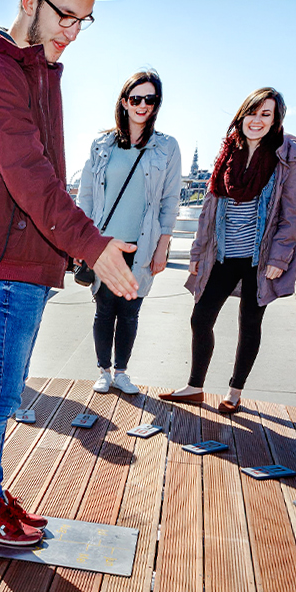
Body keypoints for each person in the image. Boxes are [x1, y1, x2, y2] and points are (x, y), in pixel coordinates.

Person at [0, 0, 137, 548]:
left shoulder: (34, 68)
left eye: (85, 20)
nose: (75, 31)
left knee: (4, 394)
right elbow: (31, 175)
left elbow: (46, 173)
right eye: (66, 16)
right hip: (8, 264)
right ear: (30, 0)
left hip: (26, 261)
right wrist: (90, 244)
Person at [163, 87, 296, 414]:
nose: (257, 120)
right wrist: (198, 253)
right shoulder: (228, 152)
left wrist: (279, 257)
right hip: (224, 254)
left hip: (259, 259)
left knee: (249, 323)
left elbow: (291, 212)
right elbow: (208, 210)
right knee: (201, 318)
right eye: (252, 113)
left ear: (275, 120)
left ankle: (234, 391)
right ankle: (195, 387)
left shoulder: (286, 158)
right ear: (242, 115)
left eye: (265, 114)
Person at [77, 69, 181, 395]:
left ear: (156, 104)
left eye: (150, 99)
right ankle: (103, 372)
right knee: (104, 309)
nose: (142, 105)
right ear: (124, 102)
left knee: (130, 312)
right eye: (136, 98)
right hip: (105, 244)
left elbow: (169, 201)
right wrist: (82, 241)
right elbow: (86, 197)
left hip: (142, 244)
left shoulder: (166, 148)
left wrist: (163, 245)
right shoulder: (102, 145)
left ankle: (121, 372)